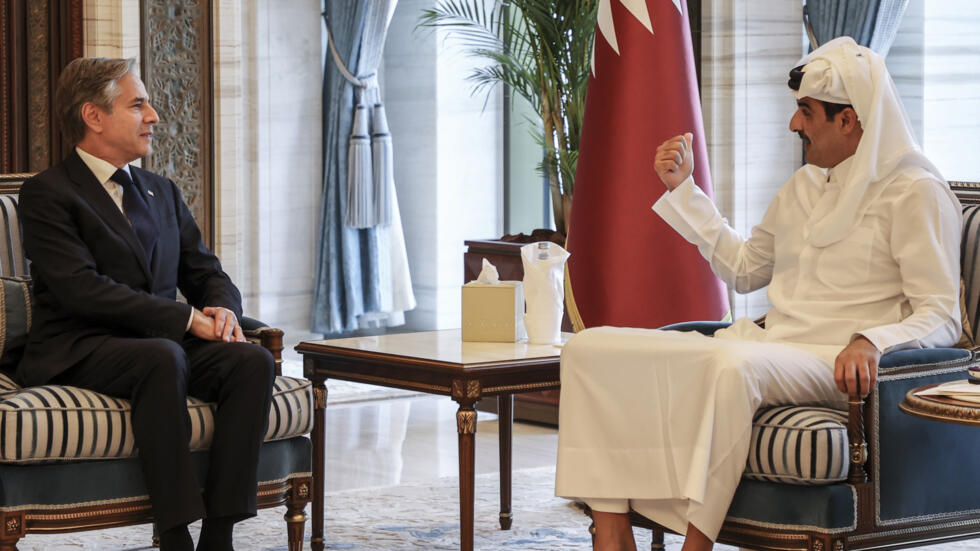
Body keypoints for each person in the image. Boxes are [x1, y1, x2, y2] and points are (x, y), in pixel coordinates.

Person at [555, 36, 962, 551]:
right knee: (593, 348)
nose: (794, 125)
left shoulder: (915, 191)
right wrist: (684, 191)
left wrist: (872, 340)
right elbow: (745, 269)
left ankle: (695, 545)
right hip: (768, 348)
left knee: (733, 368)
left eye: (806, 112)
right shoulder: (804, 186)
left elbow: (942, 315)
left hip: (832, 360)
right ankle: (611, 529)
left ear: (849, 120)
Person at [17, 57, 275, 551]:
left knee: (252, 362)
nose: (154, 115)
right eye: (138, 105)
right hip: (82, 344)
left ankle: (218, 535)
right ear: (94, 116)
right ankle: (174, 536)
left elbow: (205, 271)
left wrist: (220, 308)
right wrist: (184, 318)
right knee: (163, 355)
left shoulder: (160, 190)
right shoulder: (47, 194)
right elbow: (81, 289)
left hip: (158, 345)